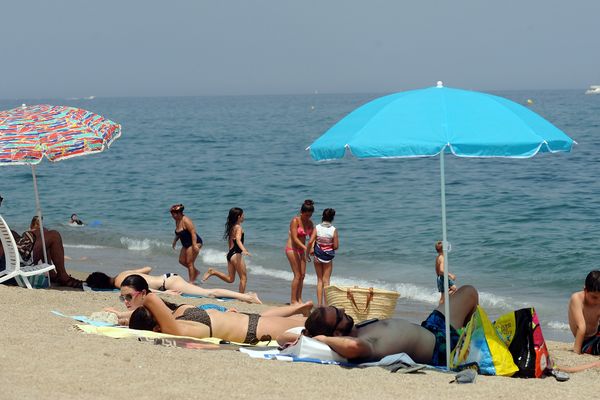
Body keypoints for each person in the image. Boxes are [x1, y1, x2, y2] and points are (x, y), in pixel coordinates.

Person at [303, 285, 479, 366]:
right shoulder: (362, 342)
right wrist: (324, 339)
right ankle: (476, 348)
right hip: (442, 348)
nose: (342, 309)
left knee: (468, 292)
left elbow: (289, 333)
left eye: (336, 308)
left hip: (430, 327)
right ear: (337, 333)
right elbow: (353, 346)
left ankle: (473, 336)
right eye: (339, 315)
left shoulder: (356, 328)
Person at [106, 274, 311, 337]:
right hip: (249, 323)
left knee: (309, 325)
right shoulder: (176, 314)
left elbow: (150, 308)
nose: (126, 304)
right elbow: (146, 312)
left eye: (128, 299)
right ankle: (303, 308)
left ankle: (304, 310)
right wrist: (120, 315)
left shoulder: (178, 326)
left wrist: (145, 298)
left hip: (250, 327)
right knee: (305, 323)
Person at [130, 291, 309, 345]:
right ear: (156, 328)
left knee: (314, 322)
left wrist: (124, 318)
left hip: (252, 323)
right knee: (316, 324)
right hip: (255, 329)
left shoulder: (176, 318)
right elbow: (151, 298)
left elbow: (152, 301)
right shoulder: (177, 328)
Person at [85, 266, 261, 304]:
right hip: (166, 277)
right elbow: (147, 269)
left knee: (209, 294)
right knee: (206, 293)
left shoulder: (119, 283)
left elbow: (144, 290)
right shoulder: (122, 273)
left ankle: (247, 296)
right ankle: (246, 296)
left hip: (167, 283)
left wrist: (168, 294)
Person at [202, 207, 250, 293]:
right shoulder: (238, 227)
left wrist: (230, 253)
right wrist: (244, 250)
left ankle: (213, 272)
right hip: (236, 254)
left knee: (230, 279)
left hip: (231, 254)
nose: (244, 217)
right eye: (243, 215)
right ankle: (241, 298)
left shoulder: (232, 227)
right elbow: (238, 240)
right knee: (243, 278)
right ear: (239, 217)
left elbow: (231, 241)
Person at [27, 216, 83, 288]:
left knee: (44, 234)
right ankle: (63, 276)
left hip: (18, 255)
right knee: (54, 235)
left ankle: (51, 273)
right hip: (25, 257)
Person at [308, 208, 339, 306]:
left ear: (322, 217)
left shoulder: (317, 228)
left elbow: (310, 241)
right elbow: (336, 246)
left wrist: (310, 250)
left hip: (317, 256)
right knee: (326, 282)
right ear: (332, 218)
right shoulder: (333, 230)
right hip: (327, 257)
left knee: (319, 280)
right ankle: (326, 305)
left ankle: (320, 305)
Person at [286, 199, 315, 304]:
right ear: (302, 212)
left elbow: (312, 238)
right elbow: (294, 238)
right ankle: (293, 300)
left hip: (302, 250)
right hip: (292, 249)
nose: (308, 217)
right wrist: (305, 247)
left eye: (310, 215)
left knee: (303, 275)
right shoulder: (295, 221)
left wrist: (311, 248)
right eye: (306, 215)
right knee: (297, 275)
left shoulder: (310, 223)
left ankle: (299, 298)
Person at [568, 270, 600, 355]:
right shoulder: (577, 299)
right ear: (585, 290)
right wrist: (577, 353)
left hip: (597, 334)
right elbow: (581, 327)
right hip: (585, 341)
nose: (598, 301)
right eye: (594, 297)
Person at [170, 204, 203, 283]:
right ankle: (195, 272)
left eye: (173, 214)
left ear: (179, 213)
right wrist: (175, 241)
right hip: (186, 244)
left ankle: (191, 282)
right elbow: (179, 232)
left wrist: (194, 245)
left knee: (189, 263)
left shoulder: (186, 220)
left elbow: (193, 232)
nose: (172, 216)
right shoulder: (177, 220)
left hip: (194, 242)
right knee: (181, 261)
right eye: (172, 214)